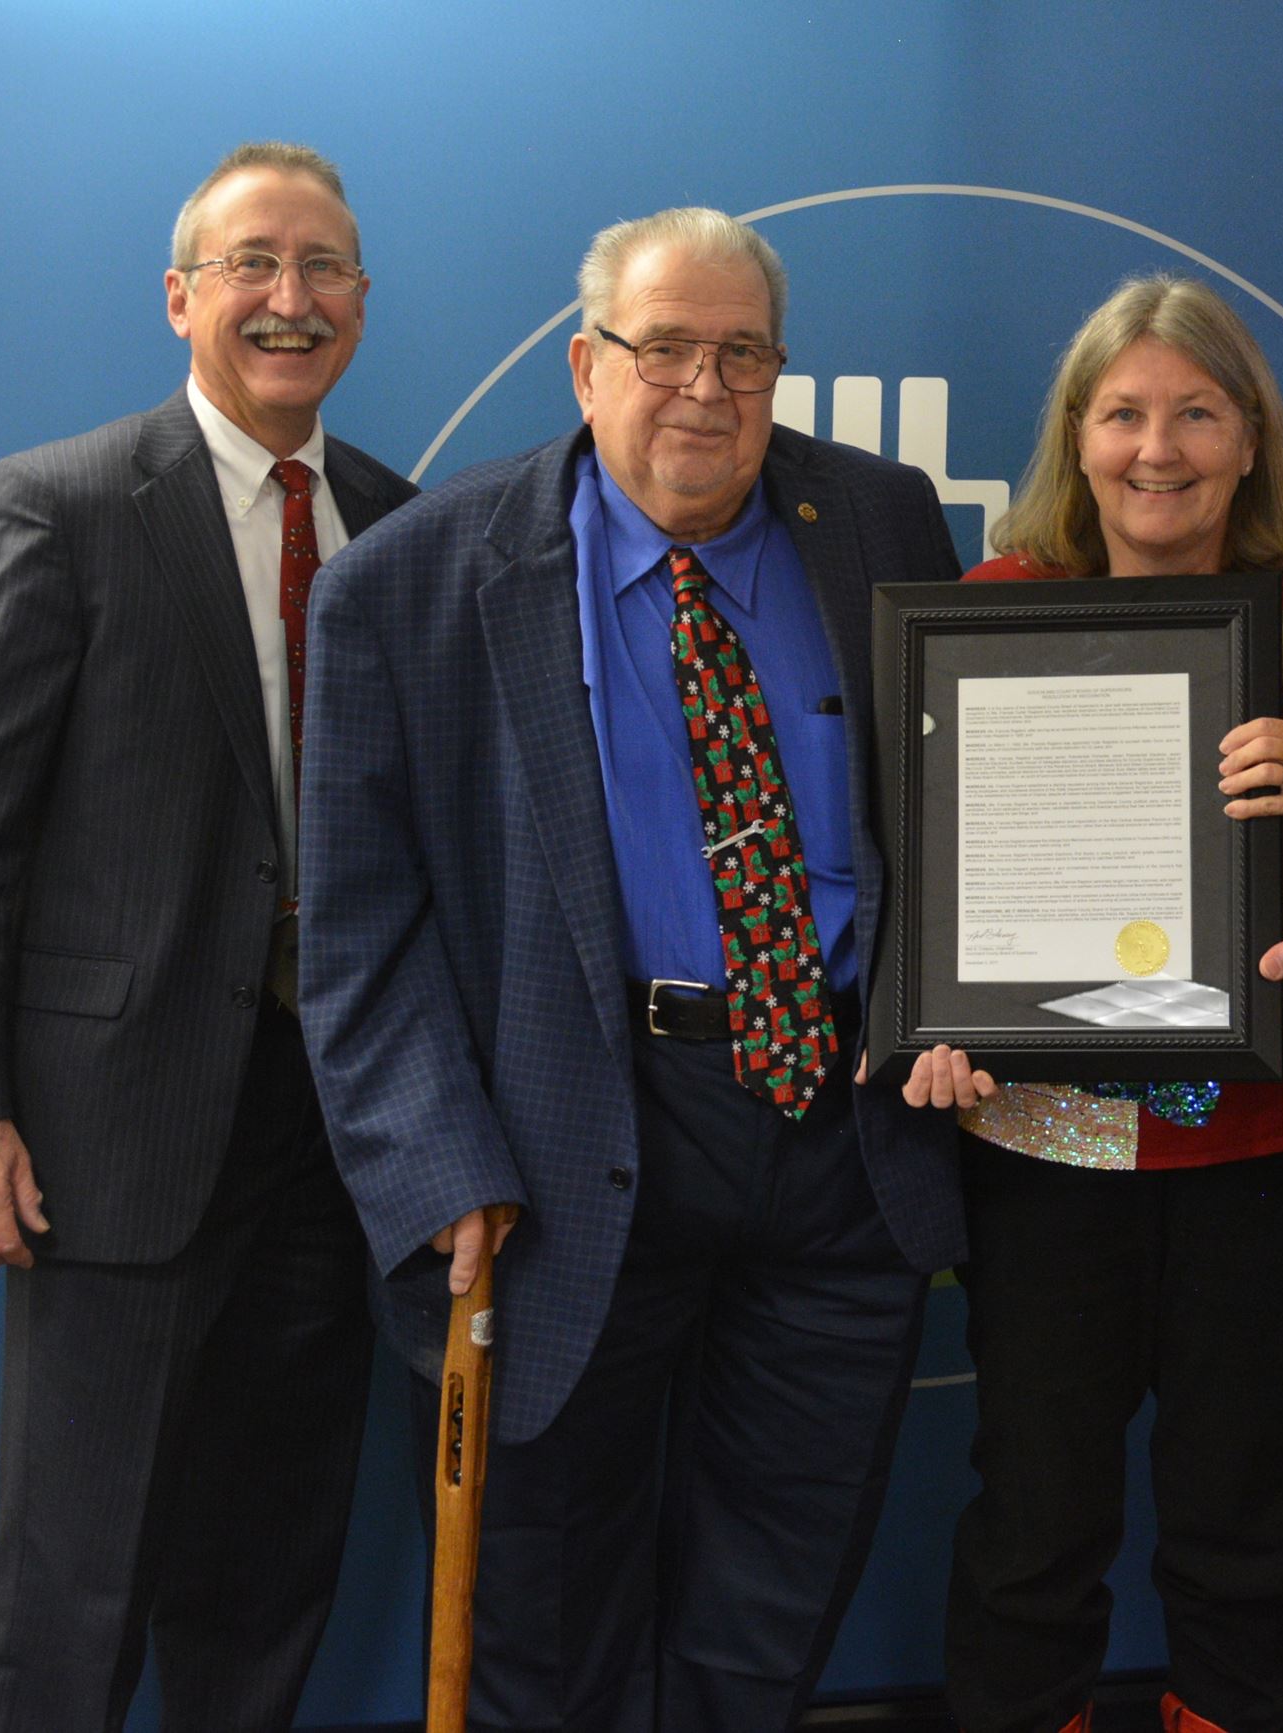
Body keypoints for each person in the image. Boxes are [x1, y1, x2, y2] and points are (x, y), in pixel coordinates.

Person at [298, 207, 964, 1730]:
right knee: (544, 1622)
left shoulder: (877, 519)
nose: (705, 389)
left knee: (772, 1601)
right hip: (560, 1151)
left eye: (742, 353)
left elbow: (945, 815)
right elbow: (355, 932)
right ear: (587, 362)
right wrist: (437, 1165)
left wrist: (954, 994)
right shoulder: (410, 584)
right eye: (665, 349)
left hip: (840, 1140)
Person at [0, 141, 409, 1730]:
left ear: (362, 307)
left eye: (322, 268)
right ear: (181, 296)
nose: (289, 298)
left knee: (270, 1559)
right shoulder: (55, 506)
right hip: (112, 1136)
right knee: (80, 1566)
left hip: (338, 1133)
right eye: (253, 263)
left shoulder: (396, 522)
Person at [913, 275, 1283, 1733]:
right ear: (1075, 438)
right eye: (1122, 413)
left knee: (1242, 1518)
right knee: (1035, 1519)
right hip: (1045, 1146)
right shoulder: (994, 612)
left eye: (1197, 412)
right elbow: (923, 865)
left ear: (1252, 438)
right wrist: (931, 1012)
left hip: (1262, 1152)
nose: (1158, 447)